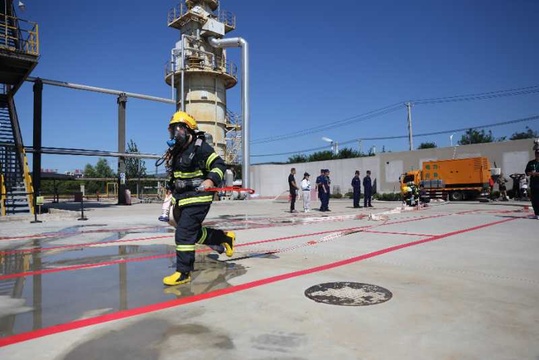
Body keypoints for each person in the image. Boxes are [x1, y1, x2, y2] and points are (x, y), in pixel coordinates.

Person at [162, 111, 235, 286]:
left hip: (199, 198)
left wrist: (210, 179)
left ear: (188, 130)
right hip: (182, 198)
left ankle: (183, 272)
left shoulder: (200, 147)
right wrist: (170, 190)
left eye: (177, 129)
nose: (174, 134)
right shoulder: (176, 152)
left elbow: (219, 165)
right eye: (171, 131)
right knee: (191, 233)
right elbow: (176, 175)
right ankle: (224, 238)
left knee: (184, 233)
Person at [525, 146, 539, 219]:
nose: (537, 155)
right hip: (533, 184)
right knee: (534, 200)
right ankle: (536, 214)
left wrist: (537, 174)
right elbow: (526, 172)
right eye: (536, 153)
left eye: (538, 153)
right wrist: (531, 173)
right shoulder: (531, 163)